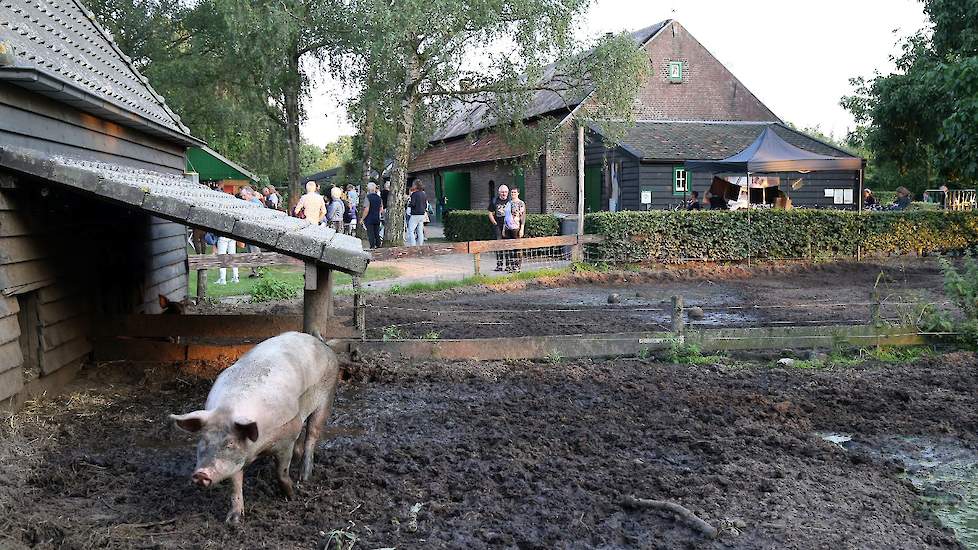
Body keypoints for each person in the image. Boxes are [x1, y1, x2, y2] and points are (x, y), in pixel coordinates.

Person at [504, 187, 527, 272]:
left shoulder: (521, 203)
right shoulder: (508, 203)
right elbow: (505, 217)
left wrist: (522, 228)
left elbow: (523, 216)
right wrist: (504, 228)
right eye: (512, 192)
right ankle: (511, 265)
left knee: (517, 247)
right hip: (508, 228)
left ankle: (517, 266)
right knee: (509, 247)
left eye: (514, 192)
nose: (513, 194)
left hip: (516, 228)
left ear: (518, 193)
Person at [487, 184, 510, 271]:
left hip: (508, 226)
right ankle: (499, 265)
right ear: (499, 192)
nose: (504, 194)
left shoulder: (510, 201)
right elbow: (490, 212)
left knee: (508, 245)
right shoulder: (495, 201)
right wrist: (494, 222)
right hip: (498, 226)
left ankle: (508, 265)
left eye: (505, 192)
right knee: (498, 245)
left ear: (508, 193)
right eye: (502, 192)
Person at [361, 182, 384, 249]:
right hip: (377, 217)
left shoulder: (367, 197)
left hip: (369, 218)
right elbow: (381, 208)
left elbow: (366, 209)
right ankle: (378, 245)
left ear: (368, 189)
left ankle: (372, 246)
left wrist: (362, 218)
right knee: (377, 233)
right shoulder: (379, 198)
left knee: (370, 233)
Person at [406, 181, 428, 246]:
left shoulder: (414, 194)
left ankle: (413, 245)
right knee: (420, 231)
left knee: (411, 230)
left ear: (416, 186)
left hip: (415, 214)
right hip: (422, 214)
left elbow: (412, 204)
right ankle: (421, 244)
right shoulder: (424, 194)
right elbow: (425, 204)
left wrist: (408, 206)